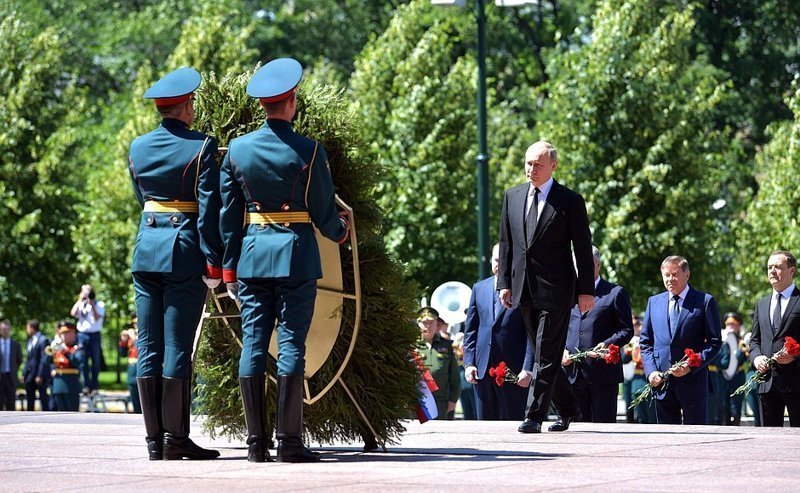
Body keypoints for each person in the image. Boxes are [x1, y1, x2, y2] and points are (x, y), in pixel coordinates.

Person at [220, 58, 349, 462]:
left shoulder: (238, 150)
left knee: (254, 343)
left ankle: (256, 444)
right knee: (292, 343)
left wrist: (229, 267)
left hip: (254, 256)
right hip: (295, 255)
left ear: (264, 106)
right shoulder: (309, 150)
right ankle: (290, 443)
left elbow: (228, 217)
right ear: (290, 102)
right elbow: (324, 210)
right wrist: (340, 230)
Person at [128, 67, 224, 460]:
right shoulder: (202, 147)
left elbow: (142, 197)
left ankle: (155, 441)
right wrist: (215, 262)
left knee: (148, 346)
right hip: (184, 252)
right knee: (178, 347)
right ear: (185, 106)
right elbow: (208, 211)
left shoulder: (137, 146)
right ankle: (176, 439)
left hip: (146, 248)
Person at [497, 140, 595, 434]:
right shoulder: (512, 197)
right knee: (545, 355)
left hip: (557, 290)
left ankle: (534, 415)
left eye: (538, 164)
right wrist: (504, 282)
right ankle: (568, 407)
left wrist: (586, 290)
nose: (532, 169)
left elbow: (582, 247)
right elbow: (506, 243)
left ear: (553, 165)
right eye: (528, 163)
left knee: (545, 354)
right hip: (523, 287)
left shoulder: (570, 201)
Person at [639, 256, 722, 425]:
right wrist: (651, 371)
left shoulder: (704, 301)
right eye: (666, 275)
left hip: (693, 383)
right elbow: (645, 342)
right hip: (662, 383)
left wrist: (691, 365)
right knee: (667, 439)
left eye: (675, 274)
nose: (670, 279)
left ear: (687, 275)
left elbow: (714, 342)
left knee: (695, 437)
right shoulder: (653, 302)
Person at [562, 246, 633, 424]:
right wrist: (561, 349)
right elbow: (560, 328)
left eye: (587, 264)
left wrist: (607, 344)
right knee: (576, 432)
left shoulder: (615, 293)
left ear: (598, 265)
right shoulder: (566, 294)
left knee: (604, 430)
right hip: (572, 374)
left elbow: (626, 330)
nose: (581, 269)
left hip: (603, 376)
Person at [464, 243, 532, 421]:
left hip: (513, 372)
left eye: (504, 261)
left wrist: (527, 368)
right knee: (484, 426)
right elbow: (471, 331)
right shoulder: (479, 288)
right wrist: (469, 363)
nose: (499, 265)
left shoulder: (523, 289)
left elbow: (530, 334)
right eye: (496, 260)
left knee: (512, 423)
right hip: (482, 371)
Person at [749, 250, 800, 427]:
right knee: (769, 441)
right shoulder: (761, 304)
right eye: (769, 267)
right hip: (767, 382)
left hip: (796, 382)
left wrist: (794, 356)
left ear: (791, 271)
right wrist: (756, 358)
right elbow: (754, 341)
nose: (772, 271)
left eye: (778, 267)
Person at [415, 307, 461, 421]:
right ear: (418, 324)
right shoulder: (411, 346)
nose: (428, 326)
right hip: (416, 402)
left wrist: (453, 400)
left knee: (440, 436)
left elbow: (454, 376)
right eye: (424, 323)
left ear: (437, 323)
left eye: (431, 323)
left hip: (440, 402)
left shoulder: (446, 346)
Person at [69, 284, 105, 395]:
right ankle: (86, 385)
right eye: (84, 292)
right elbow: (73, 313)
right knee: (83, 362)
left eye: (88, 292)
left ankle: (94, 386)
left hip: (94, 335)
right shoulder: (81, 304)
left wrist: (92, 304)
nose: (86, 294)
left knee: (95, 361)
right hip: (82, 335)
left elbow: (97, 317)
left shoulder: (99, 304)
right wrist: (80, 299)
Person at [46, 321, 86, 412]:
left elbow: (77, 361)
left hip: (71, 385)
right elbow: (46, 362)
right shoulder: (58, 348)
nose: (63, 336)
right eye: (62, 333)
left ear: (73, 334)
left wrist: (65, 351)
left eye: (66, 333)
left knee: (72, 412)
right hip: (58, 385)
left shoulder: (78, 348)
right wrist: (52, 351)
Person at [718, 312, 746, 426]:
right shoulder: (720, 341)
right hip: (722, 377)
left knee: (736, 407)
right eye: (728, 324)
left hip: (737, 377)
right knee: (722, 406)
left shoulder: (742, 342)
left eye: (734, 324)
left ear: (738, 326)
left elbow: (745, 357)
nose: (731, 327)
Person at [23, 319, 50, 411]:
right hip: (30, 375)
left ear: (32, 328)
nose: (27, 330)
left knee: (43, 398)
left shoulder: (43, 340)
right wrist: (24, 373)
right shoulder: (30, 340)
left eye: (27, 327)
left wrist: (40, 375)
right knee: (30, 400)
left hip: (39, 375)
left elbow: (44, 359)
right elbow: (28, 359)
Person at [119, 314, 141, 413]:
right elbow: (122, 354)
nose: (136, 325)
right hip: (132, 373)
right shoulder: (132, 338)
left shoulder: (144, 335)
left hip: (142, 370)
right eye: (135, 323)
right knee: (135, 402)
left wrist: (134, 338)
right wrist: (123, 341)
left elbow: (141, 349)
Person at [0, 319, 23, 410]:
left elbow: (19, 360)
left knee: (11, 402)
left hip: (11, 377)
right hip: (1, 377)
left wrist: (14, 369)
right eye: (3, 329)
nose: (5, 331)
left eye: (7, 329)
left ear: (10, 330)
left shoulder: (15, 345)